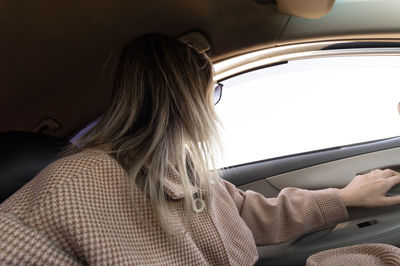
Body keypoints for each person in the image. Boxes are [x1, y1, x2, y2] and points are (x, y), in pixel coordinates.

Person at [1, 33, 400, 265]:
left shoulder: (187, 174)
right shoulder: (75, 182)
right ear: (194, 101)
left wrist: (344, 197)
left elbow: (249, 213)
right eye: (214, 93)